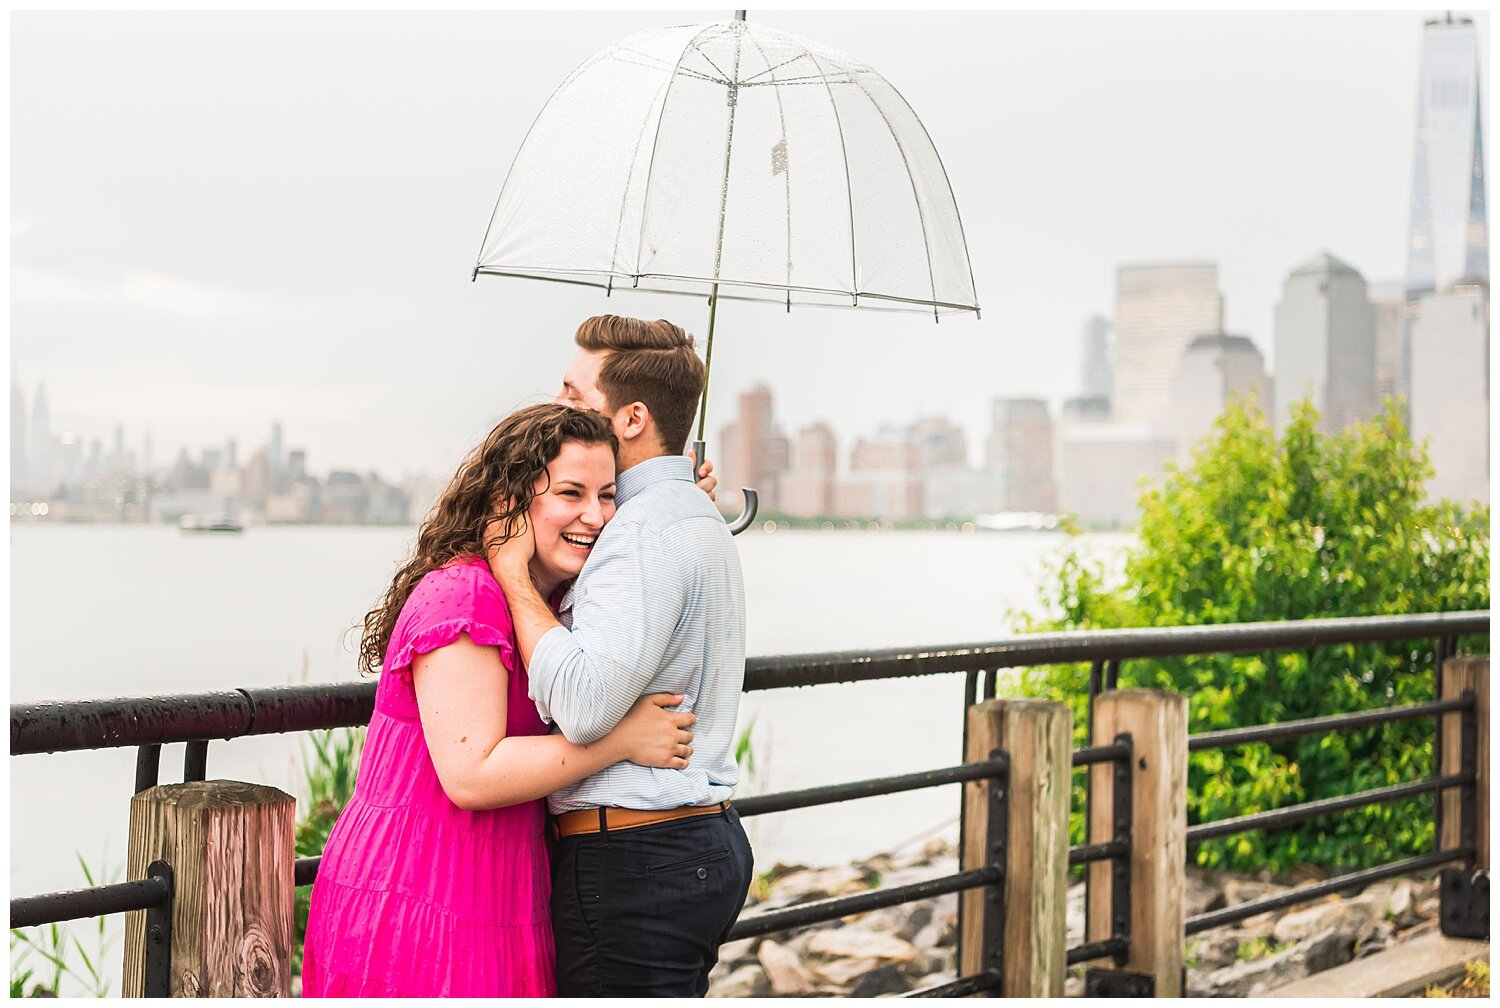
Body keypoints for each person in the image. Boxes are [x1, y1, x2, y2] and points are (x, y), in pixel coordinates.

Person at [301, 404, 698, 998]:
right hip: (420, 892)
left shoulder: (549, 603)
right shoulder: (466, 595)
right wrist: (621, 740)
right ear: (510, 502)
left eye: (608, 495)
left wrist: (681, 493)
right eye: (571, 493)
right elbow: (472, 774)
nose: (595, 515)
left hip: (500, 888)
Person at [489, 314, 753, 997]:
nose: (559, 406)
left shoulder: (642, 532)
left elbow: (581, 706)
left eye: (576, 394)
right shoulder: (691, 515)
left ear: (631, 417)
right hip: (687, 846)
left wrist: (512, 576)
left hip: (635, 859)